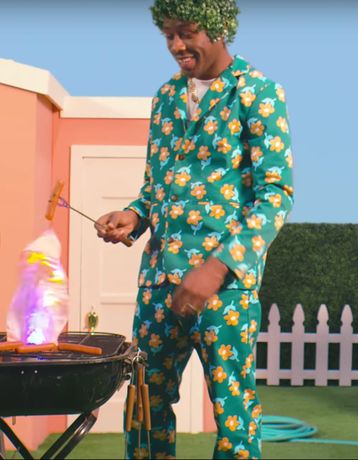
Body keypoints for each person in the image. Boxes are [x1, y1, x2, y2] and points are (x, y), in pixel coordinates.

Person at [95, 0, 294, 458]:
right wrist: (135, 215)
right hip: (157, 284)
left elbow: (276, 195)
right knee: (144, 404)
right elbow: (156, 186)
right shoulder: (165, 98)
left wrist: (215, 269)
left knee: (234, 417)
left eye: (186, 32)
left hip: (224, 289)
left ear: (220, 27)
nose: (177, 46)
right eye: (168, 35)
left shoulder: (258, 93)